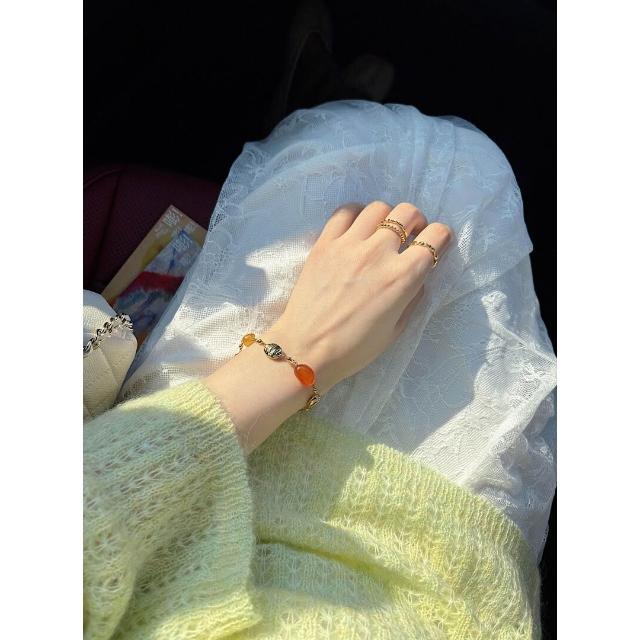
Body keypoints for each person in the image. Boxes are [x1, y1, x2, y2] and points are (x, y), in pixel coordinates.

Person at [84, 102, 554, 639]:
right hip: (434, 565)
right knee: (437, 162)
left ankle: (334, 82)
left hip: (161, 482)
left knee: (389, 163)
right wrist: (304, 347)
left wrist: (298, 349)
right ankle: (335, 82)